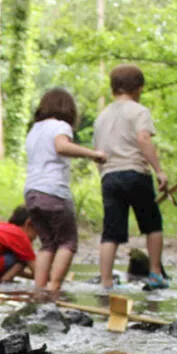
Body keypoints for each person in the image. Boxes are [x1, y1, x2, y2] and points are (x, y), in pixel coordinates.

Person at [92, 64, 171, 291]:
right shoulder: (139, 111)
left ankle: (106, 282)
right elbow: (144, 139)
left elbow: (98, 151)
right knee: (152, 224)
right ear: (138, 88)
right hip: (135, 172)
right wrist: (159, 170)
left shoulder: (102, 117)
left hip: (109, 175)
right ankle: (155, 273)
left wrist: (105, 174)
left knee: (111, 232)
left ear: (113, 89)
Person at [23, 88, 106, 294]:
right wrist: (93, 154)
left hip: (32, 191)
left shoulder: (34, 129)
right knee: (67, 242)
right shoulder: (61, 126)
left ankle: (39, 288)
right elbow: (61, 147)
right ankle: (54, 287)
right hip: (54, 190)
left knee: (47, 244)